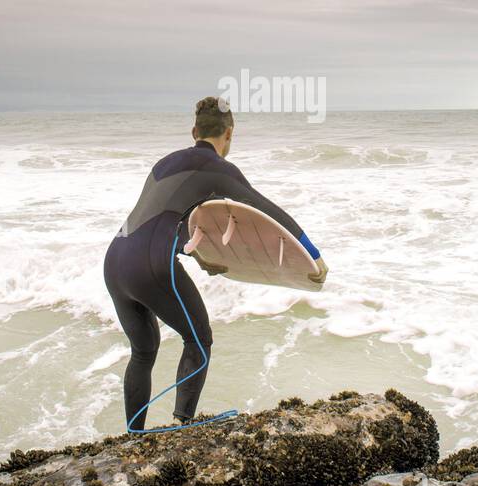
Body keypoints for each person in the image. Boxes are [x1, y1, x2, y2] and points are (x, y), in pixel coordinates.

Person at [103, 96, 327, 429]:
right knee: (199, 339)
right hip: (151, 264)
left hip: (114, 260)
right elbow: (265, 209)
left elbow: (162, 222)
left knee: (143, 350)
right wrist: (313, 255)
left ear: (194, 130)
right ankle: (182, 426)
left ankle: (133, 434)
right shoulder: (218, 169)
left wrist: (204, 260)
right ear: (229, 134)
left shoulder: (163, 164)